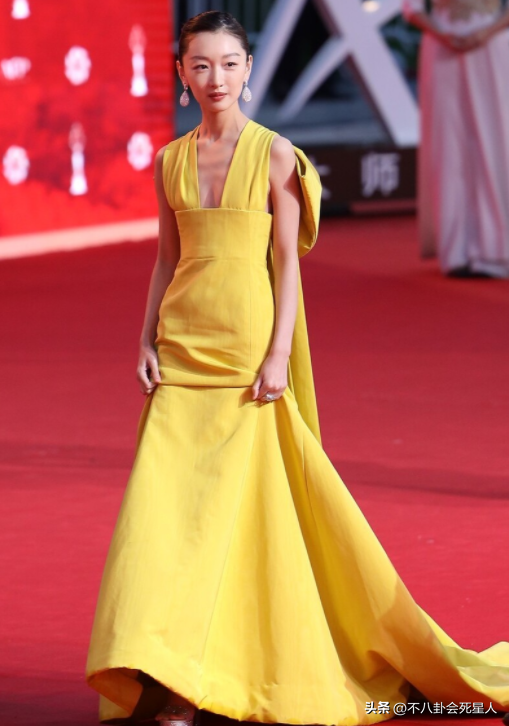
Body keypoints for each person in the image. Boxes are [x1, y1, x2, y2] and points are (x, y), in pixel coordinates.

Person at [86, 10, 509, 726]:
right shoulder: (169, 161)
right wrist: (146, 337)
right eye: (200, 65)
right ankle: (160, 666)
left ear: (248, 70)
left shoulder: (276, 155)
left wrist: (279, 352)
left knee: (228, 519)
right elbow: (166, 259)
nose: (215, 78)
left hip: (244, 351)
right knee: (159, 517)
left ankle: (186, 681)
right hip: (182, 349)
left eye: (228, 64)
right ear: (181, 74)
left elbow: (286, 263)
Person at [403, 0, 509, 278]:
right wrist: (442, 34)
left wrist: (488, 31)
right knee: (449, 148)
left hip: (493, 45)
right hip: (443, 47)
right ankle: (456, 250)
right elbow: (411, 8)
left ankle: (497, 248)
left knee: (496, 142)